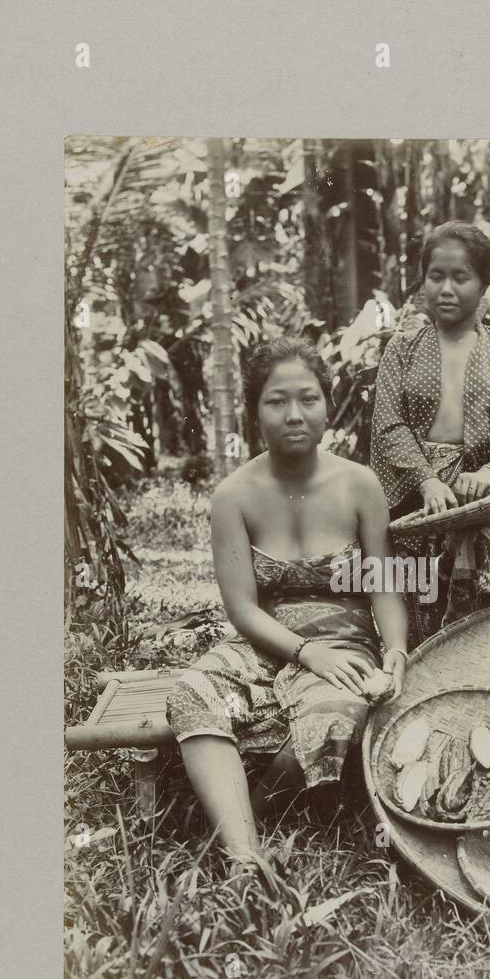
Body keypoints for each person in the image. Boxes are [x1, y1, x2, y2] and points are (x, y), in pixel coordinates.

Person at [166, 336, 409, 869]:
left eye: (308, 399)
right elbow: (242, 609)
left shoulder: (359, 485)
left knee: (338, 716)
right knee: (192, 694)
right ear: (255, 411)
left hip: (346, 643)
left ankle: (251, 816)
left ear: (327, 406)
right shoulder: (234, 495)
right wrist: (305, 653)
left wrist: (393, 653)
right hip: (265, 641)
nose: (294, 414)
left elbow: (385, 585)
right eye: (276, 401)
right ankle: (244, 857)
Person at [370, 222, 490, 638]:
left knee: (477, 568)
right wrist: (428, 480)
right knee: (413, 599)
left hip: (478, 488)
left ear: (484, 283)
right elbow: (388, 424)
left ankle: (471, 644)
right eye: (436, 276)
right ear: (423, 280)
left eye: (460, 277)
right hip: (409, 489)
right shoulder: (403, 346)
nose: (446, 289)